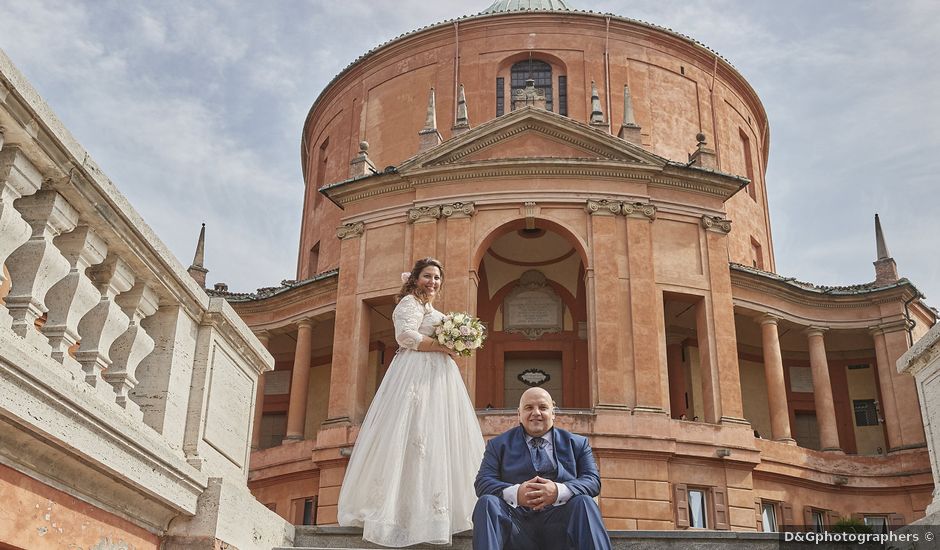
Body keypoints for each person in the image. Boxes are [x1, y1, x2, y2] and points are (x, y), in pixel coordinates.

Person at [337, 258, 485, 547]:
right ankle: (398, 512)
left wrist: (460, 341)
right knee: (411, 436)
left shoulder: (429, 309)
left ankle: (435, 512)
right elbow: (405, 336)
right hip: (414, 372)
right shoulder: (408, 304)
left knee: (437, 438)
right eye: (428, 276)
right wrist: (444, 346)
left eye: (437, 278)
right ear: (416, 279)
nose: (433, 282)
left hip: (440, 377)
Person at [472, 387, 612, 550]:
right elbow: (483, 482)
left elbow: (593, 481)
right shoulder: (497, 445)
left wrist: (558, 491)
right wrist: (516, 494)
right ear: (519, 414)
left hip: (562, 527)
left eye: (543, 407)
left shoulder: (578, 444)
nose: (536, 413)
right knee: (487, 502)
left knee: (585, 502)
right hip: (515, 527)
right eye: (529, 408)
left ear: (553, 413)